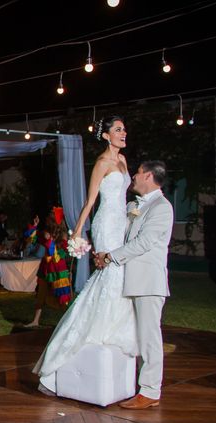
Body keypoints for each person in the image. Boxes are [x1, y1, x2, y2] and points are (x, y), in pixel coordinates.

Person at [33, 115, 138, 396]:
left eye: (124, 129)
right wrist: (77, 232)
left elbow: (123, 197)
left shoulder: (124, 161)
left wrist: (132, 213)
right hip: (105, 225)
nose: (123, 132)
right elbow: (90, 202)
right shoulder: (102, 163)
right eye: (118, 129)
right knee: (110, 275)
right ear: (106, 135)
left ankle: (113, 330)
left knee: (121, 275)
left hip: (121, 224)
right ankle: (84, 339)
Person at [94, 161, 173, 409]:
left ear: (148, 175)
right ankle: (136, 385)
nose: (133, 177)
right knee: (138, 335)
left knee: (150, 337)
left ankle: (150, 391)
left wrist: (109, 257)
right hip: (130, 281)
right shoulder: (134, 206)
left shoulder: (162, 207)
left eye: (138, 173)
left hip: (149, 283)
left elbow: (143, 243)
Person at [24, 207, 72, 328]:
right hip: (45, 268)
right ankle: (35, 321)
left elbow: (63, 252)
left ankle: (69, 322)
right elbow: (32, 240)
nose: (48, 219)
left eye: (51, 216)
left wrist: (51, 242)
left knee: (62, 296)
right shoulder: (46, 232)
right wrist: (35, 226)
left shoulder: (64, 235)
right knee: (41, 294)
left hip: (58, 269)